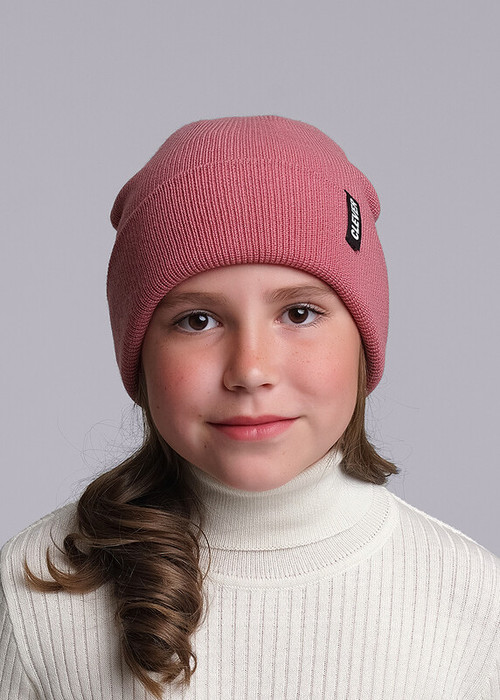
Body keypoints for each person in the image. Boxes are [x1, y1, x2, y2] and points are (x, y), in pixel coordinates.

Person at [1, 115, 499, 699]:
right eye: (197, 320)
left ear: (364, 340)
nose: (250, 369)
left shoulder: (473, 600)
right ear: (139, 356)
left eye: (299, 313)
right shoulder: (32, 593)